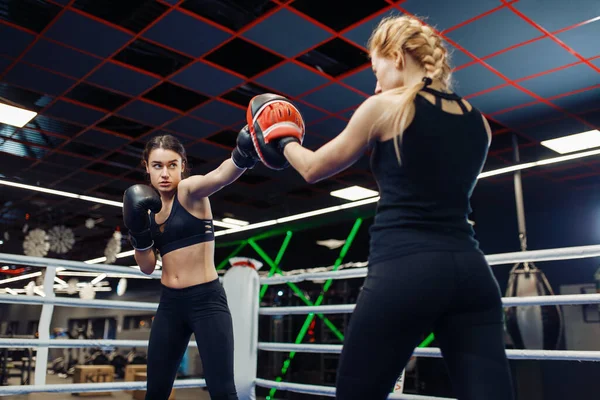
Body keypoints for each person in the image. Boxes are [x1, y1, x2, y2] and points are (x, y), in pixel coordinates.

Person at [246, 15, 515, 400]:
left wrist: (281, 137)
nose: (375, 83)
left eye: (377, 69)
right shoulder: (479, 122)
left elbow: (312, 168)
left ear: (396, 57)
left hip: (406, 270)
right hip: (472, 274)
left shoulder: (385, 106)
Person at [121, 127, 259, 400]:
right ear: (146, 168)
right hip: (170, 305)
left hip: (206, 301)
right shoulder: (146, 210)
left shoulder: (189, 192)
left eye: (172, 165)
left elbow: (218, 176)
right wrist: (137, 232)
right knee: (156, 392)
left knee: (222, 390)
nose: (165, 173)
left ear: (182, 166)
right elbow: (147, 266)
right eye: (157, 166)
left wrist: (242, 155)